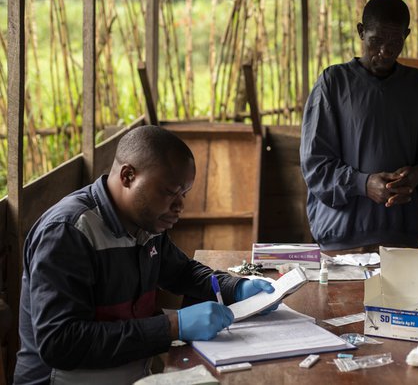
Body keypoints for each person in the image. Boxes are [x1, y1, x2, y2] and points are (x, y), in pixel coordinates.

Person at [14, 125, 277, 384]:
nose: (179, 206)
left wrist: (236, 288)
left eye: (184, 194)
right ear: (128, 176)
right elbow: (61, 342)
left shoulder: (145, 224)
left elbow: (183, 272)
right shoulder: (68, 233)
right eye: (169, 192)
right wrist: (173, 326)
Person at [300, 0, 418, 252]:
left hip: (401, 235)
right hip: (343, 236)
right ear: (361, 31)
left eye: (395, 41)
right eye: (376, 40)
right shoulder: (333, 83)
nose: (385, 51)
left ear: (407, 34)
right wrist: (362, 183)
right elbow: (315, 164)